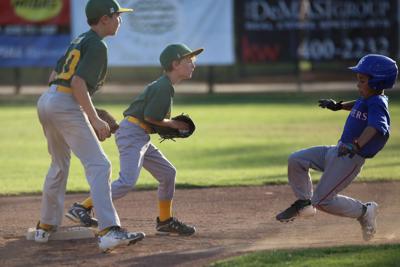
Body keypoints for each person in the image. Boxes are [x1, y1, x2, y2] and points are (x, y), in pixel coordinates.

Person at [35, 0, 145, 252]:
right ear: (104, 19)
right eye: (117, 15)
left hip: (47, 100)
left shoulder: (80, 39)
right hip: (64, 102)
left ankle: (45, 227)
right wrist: (93, 119)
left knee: (58, 163)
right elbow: (77, 83)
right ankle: (109, 231)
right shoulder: (97, 44)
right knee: (100, 164)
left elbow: (55, 77)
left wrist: (87, 112)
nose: (120, 20)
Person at [65, 44, 203, 236]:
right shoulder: (163, 87)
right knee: (127, 181)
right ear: (175, 63)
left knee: (167, 173)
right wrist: (174, 125)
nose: (193, 65)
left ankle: (165, 221)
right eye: (189, 60)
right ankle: (82, 207)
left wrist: (167, 125)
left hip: (139, 134)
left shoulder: (164, 85)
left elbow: (149, 120)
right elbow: (150, 117)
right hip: (133, 133)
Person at [275, 54, 397, 241]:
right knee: (296, 159)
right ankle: (305, 203)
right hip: (337, 150)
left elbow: (376, 128)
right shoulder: (367, 99)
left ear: (376, 82)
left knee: (322, 200)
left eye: (362, 80)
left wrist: (356, 145)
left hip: (350, 158)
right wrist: (338, 106)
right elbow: (358, 104)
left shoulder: (378, 103)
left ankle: (365, 211)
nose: (358, 84)